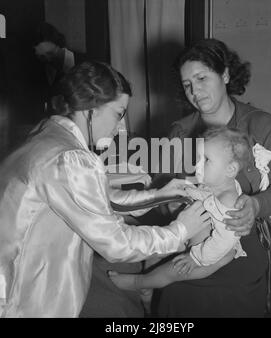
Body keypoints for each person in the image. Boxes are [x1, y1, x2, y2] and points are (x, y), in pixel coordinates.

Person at [0, 61, 213, 318]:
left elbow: (103, 200)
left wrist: (160, 195)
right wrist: (180, 231)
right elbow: (116, 244)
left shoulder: (48, 135)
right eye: (118, 114)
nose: (119, 128)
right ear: (91, 108)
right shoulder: (69, 158)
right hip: (23, 296)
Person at [150, 39, 271, 317]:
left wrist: (256, 205)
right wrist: (169, 205)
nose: (195, 90)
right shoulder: (180, 132)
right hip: (184, 269)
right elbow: (161, 191)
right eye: (187, 84)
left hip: (240, 275)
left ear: (226, 75)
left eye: (202, 77)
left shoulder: (260, 125)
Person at [109, 127, 252, 295]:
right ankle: (148, 288)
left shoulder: (229, 200)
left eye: (206, 160)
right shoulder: (214, 183)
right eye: (197, 158)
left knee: (174, 270)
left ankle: (138, 282)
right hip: (192, 239)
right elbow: (201, 195)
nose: (197, 165)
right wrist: (184, 192)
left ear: (230, 169)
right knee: (156, 255)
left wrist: (195, 258)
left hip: (212, 255)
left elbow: (223, 241)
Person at [33, 22, 86, 115]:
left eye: (51, 53)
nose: (49, 59)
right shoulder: (39, 69)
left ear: (60, 44)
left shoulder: (84, 63)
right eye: (42, 57)